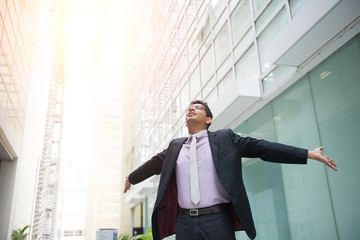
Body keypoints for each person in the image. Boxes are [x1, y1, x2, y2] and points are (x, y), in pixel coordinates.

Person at [124, 100, 337, 240]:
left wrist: (307, 153)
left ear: (208, 119)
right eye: (189, 107)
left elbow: (262, 148)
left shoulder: (225, 139)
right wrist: (131, 178)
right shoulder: (175, 146)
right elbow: (153, 164)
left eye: (197, 107)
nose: (191, 108)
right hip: (185, 222)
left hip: (217, 220)